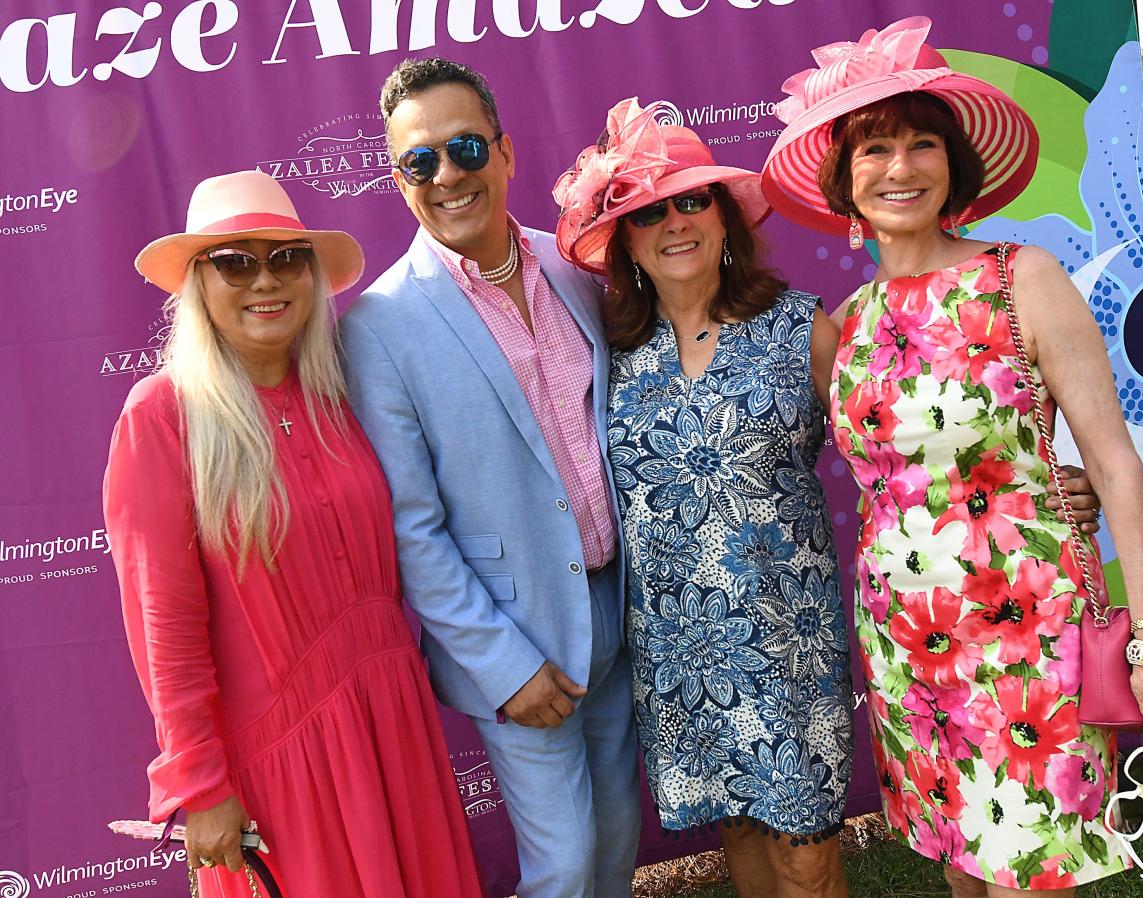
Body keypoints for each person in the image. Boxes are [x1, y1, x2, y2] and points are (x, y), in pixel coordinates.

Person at [760, 16, 1143, 897]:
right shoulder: (840, 328)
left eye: (921, 143)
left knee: (1026, 875)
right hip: (904, 638)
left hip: (1027, 634)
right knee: (962, 868)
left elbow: (1114, 466)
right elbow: (892, 483)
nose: (899, 167)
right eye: (873, 149)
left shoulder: (1020, 277)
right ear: (844, 186)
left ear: (953, 168)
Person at [103, 170, 483, 898]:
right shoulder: (161, 416)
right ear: (196, 285)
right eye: (235, 261)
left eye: (285, 257)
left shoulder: (343, 390)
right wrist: (202, 785)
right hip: (283, 762)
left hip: (390, 722)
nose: (264, 280)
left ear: (311, 274)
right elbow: (165, 627)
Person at [337, 59, 640, 898]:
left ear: (504, 153)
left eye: (465, 147)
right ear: (399, 182)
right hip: (515, 640)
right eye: (418, 162)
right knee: (565, 865)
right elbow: (411, 526)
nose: (446, 176)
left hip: (618, 611)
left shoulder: (579, 267)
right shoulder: (378, 326)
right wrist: (504, 667)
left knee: (616, 844)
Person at [554, 97, 856, 898]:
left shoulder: (799, 328)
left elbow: (895, 457)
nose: (675, 222)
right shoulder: (608, 355)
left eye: (693, 200)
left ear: (725, 219)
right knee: (742, 829)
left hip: (787, 636)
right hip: (681, 645)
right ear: (624, 241)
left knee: (805, 847)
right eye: (648, 211)